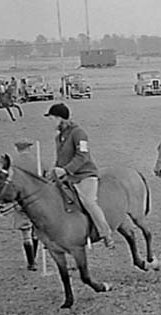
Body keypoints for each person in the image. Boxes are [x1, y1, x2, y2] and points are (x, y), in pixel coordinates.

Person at [44, 103, 115, 248]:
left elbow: (82, 156)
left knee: (89, 201)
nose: (51, 122)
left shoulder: (79, 133)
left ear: (60, 118)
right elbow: (60, 158)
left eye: (52, 118)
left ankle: (105, 233)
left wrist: (65, 170)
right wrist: (54, 170)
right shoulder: (59, 137)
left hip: (85, 175)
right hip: (67, 176)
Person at [12, 138, 39, 271]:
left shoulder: (13, 164)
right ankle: (35, 258)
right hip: (36, 201)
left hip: (20, 201)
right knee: (36, 230)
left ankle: (31, 262)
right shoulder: (38, 161)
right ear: (29, 148)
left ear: (18, 149)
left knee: (26, 232)